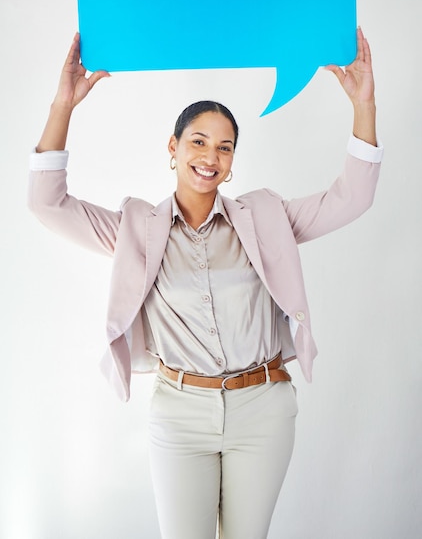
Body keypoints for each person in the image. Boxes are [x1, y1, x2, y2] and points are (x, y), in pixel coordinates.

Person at [28, 27, 383, 539]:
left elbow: (352, 198)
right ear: (173, 147)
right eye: (198, 141)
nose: (210, 156)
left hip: (263, 408)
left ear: (233, 161)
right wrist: (64, 106)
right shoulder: (137, 227)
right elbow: (46, 204)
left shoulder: (265, 218)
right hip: (179, 411)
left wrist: (364, 106)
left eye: (224, 147)